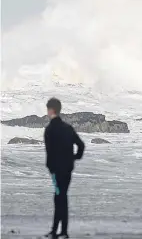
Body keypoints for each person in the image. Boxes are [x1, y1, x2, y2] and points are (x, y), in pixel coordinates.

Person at [44, 98, 85, 239]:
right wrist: (75, 158)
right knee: (63, 197)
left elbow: (49, 152)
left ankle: (55, 231)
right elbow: (81, 145)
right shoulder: (68, 128)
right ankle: (64, 231)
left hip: (56, 171)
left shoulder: (49, 129)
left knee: (58, 198)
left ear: (51, 110)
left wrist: (50, 168)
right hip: (67, 170)